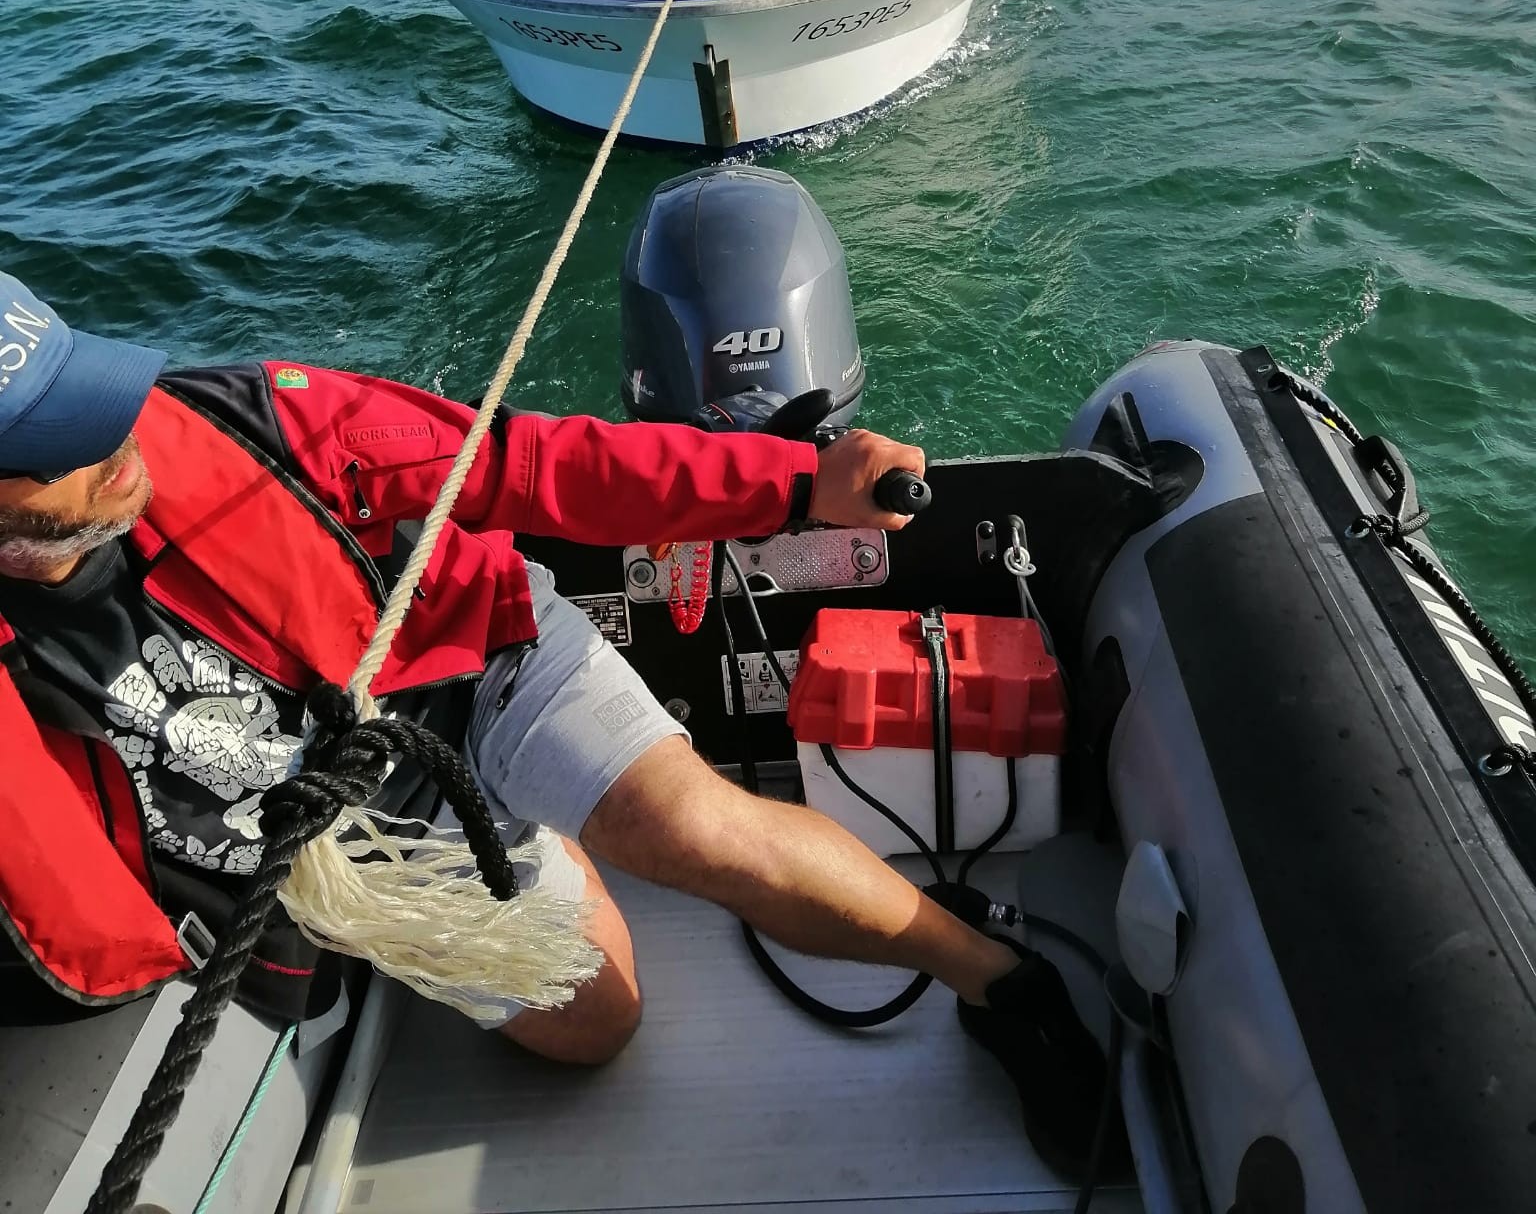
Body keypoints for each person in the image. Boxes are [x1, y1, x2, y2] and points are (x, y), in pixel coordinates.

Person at [0, 272, 1114, 1177]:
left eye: (90, 390)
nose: (115, 432)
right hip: (358, 840)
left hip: (481, 654)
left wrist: (792, 481)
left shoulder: (248, 416)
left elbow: (530, 464)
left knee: (697, 829)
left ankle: (999, 979)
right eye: (60, 440)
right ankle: (542, 843)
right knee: (595, 1027)